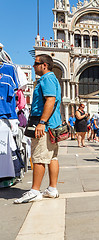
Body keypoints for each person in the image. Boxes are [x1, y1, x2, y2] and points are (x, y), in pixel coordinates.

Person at [14, 54, 62, 203]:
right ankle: (52, 189)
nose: (34, 66)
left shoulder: (47, 79)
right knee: (52, 157)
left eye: (36, 64)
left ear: (44, 65)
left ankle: (35, 190)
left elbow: (50, 100)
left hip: (44, 126)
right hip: (52, 125)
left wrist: (42, 122)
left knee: (39, 158)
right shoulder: (52, 78)